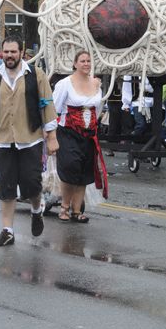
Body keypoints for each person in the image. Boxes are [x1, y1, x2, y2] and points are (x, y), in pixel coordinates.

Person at [0, 36, 58, 246]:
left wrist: (52, 136)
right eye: (6, 52)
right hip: (1, 139)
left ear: (21, 52)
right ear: (2, 53)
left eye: (13, 52)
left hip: (30, 138)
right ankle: (7, 231)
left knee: (32, 186)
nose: (9, 56)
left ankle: (37, 210)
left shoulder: (36, 75)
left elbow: (47, 104)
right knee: (7, 187)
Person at [53, 51, 108, 223]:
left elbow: (97, 109)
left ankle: (77, 211)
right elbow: (56, 108)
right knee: (70, 167)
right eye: (82, 61)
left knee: (84, 171)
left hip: (89, 134)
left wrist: (92, 126)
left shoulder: (96, 84)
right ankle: (64, 207)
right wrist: (51, 133)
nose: (86, 63)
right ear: (75, 64)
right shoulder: (65, 84)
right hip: (68, 132)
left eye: (88, 60)